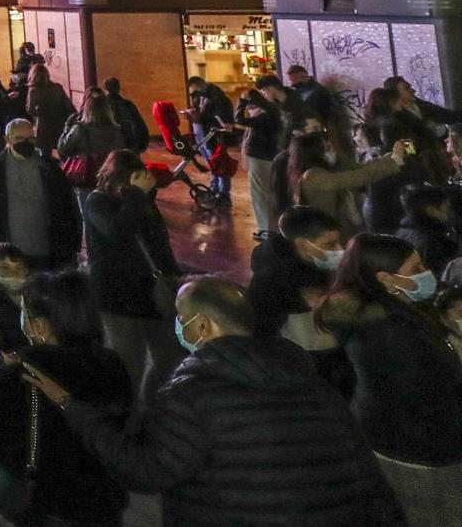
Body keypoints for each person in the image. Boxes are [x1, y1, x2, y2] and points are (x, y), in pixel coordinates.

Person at [31, 275, 404, 527]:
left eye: (180, 318)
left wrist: (68, 405)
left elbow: (144, 471)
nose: (177, 327)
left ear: (203, 326)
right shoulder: (312, 381)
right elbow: (367, 474)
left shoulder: (190, 393)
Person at [315, 232, 462, 519]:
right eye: (415, 269)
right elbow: (427, 394)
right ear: (386, 279)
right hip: (419, 449)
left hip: (392, 435)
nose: (425, 273)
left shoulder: (385, 308)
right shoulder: (389, 333)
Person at [0, 271, 133, 527]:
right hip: (105, 506)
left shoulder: (20, 376)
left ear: (41, 326)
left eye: (24, 312)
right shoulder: (112, 364)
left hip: (50, 507)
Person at [82, 150, 184, 405]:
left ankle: (148, 407)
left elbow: (158, 240)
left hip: (152, 293)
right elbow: (118, 231)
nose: (127, 187)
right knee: (129, 363)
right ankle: (126, 416)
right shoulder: (97, 201)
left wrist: (173, 275)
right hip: (117, 297)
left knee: (171, 359)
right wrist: (137, 196)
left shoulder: (141, 200)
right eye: (125, 182)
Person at [245, 204, 352, 396]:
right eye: (330, 244)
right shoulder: (270, 282)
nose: (340, 250)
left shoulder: (310, 265)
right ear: (303, 245)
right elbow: (257, 333)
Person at [0, 118, 82, 270]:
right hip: (6, 245)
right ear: (7, 139)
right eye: (19, 138)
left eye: (30, 138)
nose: (26, 142)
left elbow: (68, 204)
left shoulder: (50, 168)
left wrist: (74, 242)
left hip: (44, 248)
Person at [292, 128, 409, 234]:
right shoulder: (313, 177)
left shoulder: (330, 166)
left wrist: (392, 157)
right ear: (315, 154)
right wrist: (395, 161)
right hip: (329, 229)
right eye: (326, 148)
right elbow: (358, 177)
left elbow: (361, 167)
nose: (331, 148)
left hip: (345, 221)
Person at [235, 75, 295, 239]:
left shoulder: (263, 116)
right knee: (271, 193)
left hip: (260, 158)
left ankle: (267, 230)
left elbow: (238, 120)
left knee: (260, 195)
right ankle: (274, 228)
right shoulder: (273, 111)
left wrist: (241, 102)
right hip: (271, 156)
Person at [26, 66, 74, 154]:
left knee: (45, 155)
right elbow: (68, 105)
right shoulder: (57, 87)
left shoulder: (34, 91)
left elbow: (30, 111)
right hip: (60, 123)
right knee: (62, 151)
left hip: (44, 126)